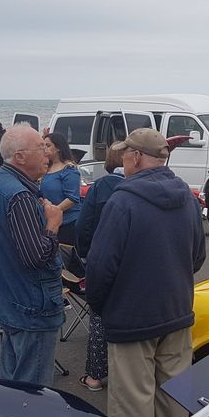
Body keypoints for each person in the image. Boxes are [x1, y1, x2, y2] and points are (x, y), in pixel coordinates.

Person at [85, 128, 206, 417]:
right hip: (176, 312)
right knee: (176, 402)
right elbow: (196, 257)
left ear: (136, 157)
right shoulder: (186, 197)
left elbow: (99, 268)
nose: (123, 159)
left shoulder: (122, 202)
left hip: (131, 319)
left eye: (125, 153)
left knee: (132, 410)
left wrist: (100, 307)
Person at [0, 125, 64, 386]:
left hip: (9, 300)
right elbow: (36, 257)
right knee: (32, 393)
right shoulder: (19, 196)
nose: (48, 153)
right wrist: (53, 223)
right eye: (42, 147)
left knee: (13, 384)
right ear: (20, 157)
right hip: (30, 306)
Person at [75, 145, 125, 392]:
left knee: (99, 315)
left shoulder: (101, 187)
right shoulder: (139, 185)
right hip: (133, 263)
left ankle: (95, 376)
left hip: (102, 257)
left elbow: (84, 226)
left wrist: (85, 256)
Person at [40, 131, 82, 245]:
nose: (45, 149)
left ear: (58, 147)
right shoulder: (47, 168)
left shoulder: (69, 169)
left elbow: (73, 198)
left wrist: (55, 212)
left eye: (48, 146)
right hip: (50, 220)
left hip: (68, 222)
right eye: (44, 146)